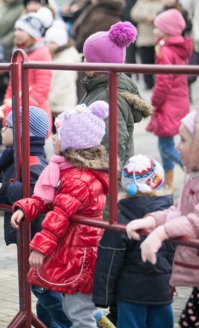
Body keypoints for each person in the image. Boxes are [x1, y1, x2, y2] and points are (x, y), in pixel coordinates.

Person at [11, 101, 111, 327]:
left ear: (73, 143)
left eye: (59, 133)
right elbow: (48, 200)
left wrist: (39, 247)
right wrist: (26, 207)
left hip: (81, 255)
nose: (53, 138)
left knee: (79, 312)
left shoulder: (78, 179)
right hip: (75, 251)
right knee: (74, 308)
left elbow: (59, 214)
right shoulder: (68, 171)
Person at [0, 107, 73, 328]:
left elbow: (37, 193)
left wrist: (4, 189)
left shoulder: (33, 163)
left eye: (8, 126)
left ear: (21, 133)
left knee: (44, 289)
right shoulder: (15, 160)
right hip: (31, 237)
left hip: (39, 240)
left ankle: (66, 325)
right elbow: (2, 185)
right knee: (40, 290)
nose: (3, 129)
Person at [126, 110, 199, 327]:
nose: (177, 146)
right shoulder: (192, 177)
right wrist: (151, 221)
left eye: (184, 140)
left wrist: (161, 233)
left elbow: (195, 220)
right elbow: (178, 212)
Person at [93, 154, 175, 328]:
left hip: (130, 295)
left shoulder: (121, 219)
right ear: (157, 181)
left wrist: (102, 297)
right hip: (162, 291)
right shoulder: (171, 216)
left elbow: (108, 258)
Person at [80, 22, 152, 181]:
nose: (82, 61)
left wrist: (107, 186)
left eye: (86, 58)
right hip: (96, 174)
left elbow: (112, 145)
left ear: (96, 65)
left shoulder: (109, 96)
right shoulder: (100, 87)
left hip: (104, 181)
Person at [146, 9, 193, 192]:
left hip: (167, 102)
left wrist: (155, 101)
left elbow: (163, 81)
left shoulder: (164, 50)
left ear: (167, 30)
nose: (154, 30)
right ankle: (168, 185)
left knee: (166, 147)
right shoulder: (177, 48)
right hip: (179, 100)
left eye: (157, 27)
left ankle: (191, 171)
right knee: (164, 143)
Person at [2, 8, 53, 133]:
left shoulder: (42, 53)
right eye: (15, 29)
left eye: (20, 30)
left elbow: (42, 88)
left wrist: (21, 108)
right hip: (15, 111)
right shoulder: (18, 53)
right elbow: (12, 83)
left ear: (31, 33)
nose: (15, 33)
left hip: (32, 116)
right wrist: (6, 105)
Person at [44, 20, 80, 133]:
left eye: (53, 42)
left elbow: (63, 84)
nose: (49, 46)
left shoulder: (66, 60)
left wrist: (50, 99)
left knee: (63, 136)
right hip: (57, 104)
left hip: (62, 105)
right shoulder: (56, 56)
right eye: (48, 42)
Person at [130, 0, 163, 90]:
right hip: (144, 39)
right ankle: (148, 84)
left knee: (157, 62)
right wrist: (145, 17)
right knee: (145, 62)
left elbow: (164, 14)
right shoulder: (141, 2)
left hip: (157, 39)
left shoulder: (161, 3)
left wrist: (154, 18)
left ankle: (158, 84)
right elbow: (134, 14)